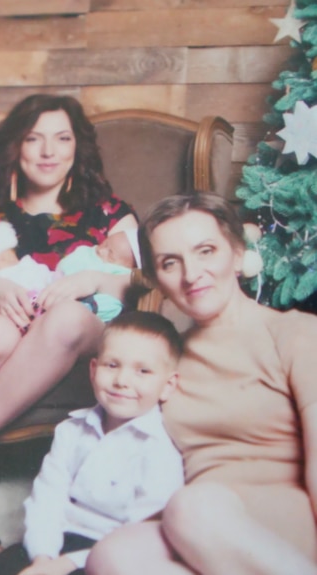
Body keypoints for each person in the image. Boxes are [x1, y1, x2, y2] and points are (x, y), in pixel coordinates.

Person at [85, 193, 317, 575]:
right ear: (158, 278)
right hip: (202, 538)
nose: (192, 275)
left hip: (282, 531)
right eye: (170, 262)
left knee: (191, 507)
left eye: (206, 251)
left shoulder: (294, 333)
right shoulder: (163, 363)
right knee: (113, 556)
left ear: (238, 255)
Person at [0, 94, 138, 471]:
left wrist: (91, 279)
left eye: (62, 138)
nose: (49, 151)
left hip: (85, 324)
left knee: (64, 317)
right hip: (8, 321)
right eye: (35, 138)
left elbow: (138, 284)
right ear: (17, 146)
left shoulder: (110, 212)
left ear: (77, 146)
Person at [0, 311, 184, 575]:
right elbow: (48, 498)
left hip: (107, 557)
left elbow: (142, 537)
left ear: (168, 386)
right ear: (93, 370)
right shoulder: (71, 431)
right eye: (112, 365)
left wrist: (68, 564)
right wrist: (43, 558)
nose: (122, 381)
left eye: (143, 371)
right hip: (55, 540)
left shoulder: (159, 453)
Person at [0, 220, 140, 322]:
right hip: (1, 306)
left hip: (66, 322)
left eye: (110, 253)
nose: (100, 250)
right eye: (103, 244)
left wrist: (95, 278)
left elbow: (140, 278)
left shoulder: (111, 214)